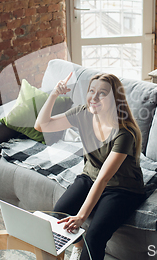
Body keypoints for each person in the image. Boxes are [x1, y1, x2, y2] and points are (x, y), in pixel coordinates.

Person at [34, 72, 145, 260]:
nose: (93, 97)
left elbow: (104, 178)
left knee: (94, 236)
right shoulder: (82, 113)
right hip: (90, 176)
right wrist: (54, 94)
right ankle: (77, 245)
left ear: (114, 98)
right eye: (91, 91)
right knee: (58, 215)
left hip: (122, 188)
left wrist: (81, 217)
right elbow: (41, 125)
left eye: (102, 93)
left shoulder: (125, 133)